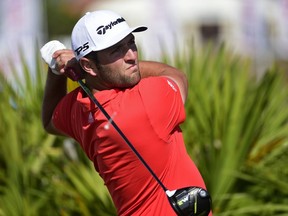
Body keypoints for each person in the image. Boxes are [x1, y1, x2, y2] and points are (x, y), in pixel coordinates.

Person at [41, 10, 210, 216]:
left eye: (131, 43)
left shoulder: (78, 107)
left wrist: (56, 70)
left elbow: (49, 120)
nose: (131, 56)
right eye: (116, 51)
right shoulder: (145, 103)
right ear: (88, 65)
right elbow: (175, 75)